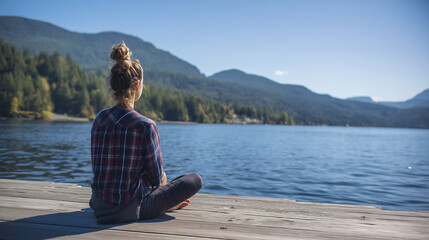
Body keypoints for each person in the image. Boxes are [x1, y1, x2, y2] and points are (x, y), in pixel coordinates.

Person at [89, 42, 202, 224]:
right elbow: (156, 180)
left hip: (98, 204)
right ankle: (165, 204)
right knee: (194, 180)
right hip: (130, 209)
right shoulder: (145, 125)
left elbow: (98, 169)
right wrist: (163, 193)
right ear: (137, 85)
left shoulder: (99, 119)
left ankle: (161, 202)